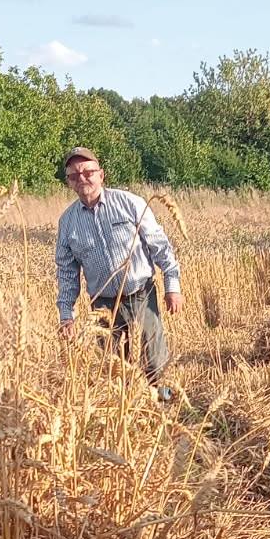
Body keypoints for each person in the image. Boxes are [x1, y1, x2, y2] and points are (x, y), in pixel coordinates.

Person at [55, 146, 183, 402]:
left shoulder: (130, 203)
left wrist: (172, 284)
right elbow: (67, 273)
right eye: (74, 175)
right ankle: (129, 417)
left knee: (155, 360)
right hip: (101, 305)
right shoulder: (67, 222)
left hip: (140, 294)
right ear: (69, 182)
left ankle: (165, 407)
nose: (82, 178)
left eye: (88, 172)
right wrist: (66, 315)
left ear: (101, 175)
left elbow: (159, 245)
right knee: (114, 368)